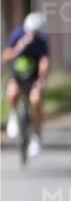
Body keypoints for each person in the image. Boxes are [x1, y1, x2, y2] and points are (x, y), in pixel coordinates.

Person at [3, 12, 50, 158]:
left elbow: (44, 62)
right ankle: (13, 115)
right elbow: (5, 57)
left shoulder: (42, 42)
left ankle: (37, 137)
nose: (33, 35)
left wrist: (41, 80)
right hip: (18, 77)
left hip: (34, 78)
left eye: (36, 33)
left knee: (36, 101)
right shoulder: (17, 36)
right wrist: (19, 47)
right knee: (12, 93)